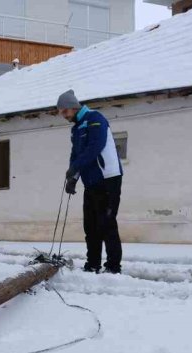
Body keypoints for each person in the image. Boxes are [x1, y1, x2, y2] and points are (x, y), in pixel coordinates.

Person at [57, 89, 123, 274]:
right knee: (91, 226)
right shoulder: (76, 129)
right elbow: (76, 154)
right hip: (91, 182)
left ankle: (113, 267)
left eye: (63, 111)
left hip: (108, 179)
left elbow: (96, 146)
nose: (63, 115)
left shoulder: (96, 118)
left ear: (72, 107)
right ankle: (92, 264)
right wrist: (73, 178)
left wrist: (75, 165)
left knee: (107, 223)